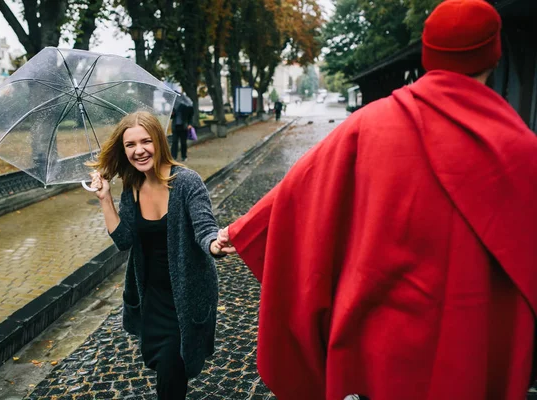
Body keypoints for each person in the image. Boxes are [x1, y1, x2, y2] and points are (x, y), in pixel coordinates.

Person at [216, 1, 537, 399]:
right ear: (494, 54)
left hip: (388, 350)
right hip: (478, 347)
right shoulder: (523, 149)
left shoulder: (370, 125)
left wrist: (241, 229)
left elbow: (302, 188)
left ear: (428, 55)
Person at [88, 111, 227, 399]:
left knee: (171, 370)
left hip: (186, 296)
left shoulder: (187, 182)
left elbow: (205, 227)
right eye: (130, 145)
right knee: (166, 368)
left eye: (146, 141)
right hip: (152, 298)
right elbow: (124, 240)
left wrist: (214, 244)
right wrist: (105, 199)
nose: (138, 150)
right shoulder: (133, 185)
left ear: (160, 142)